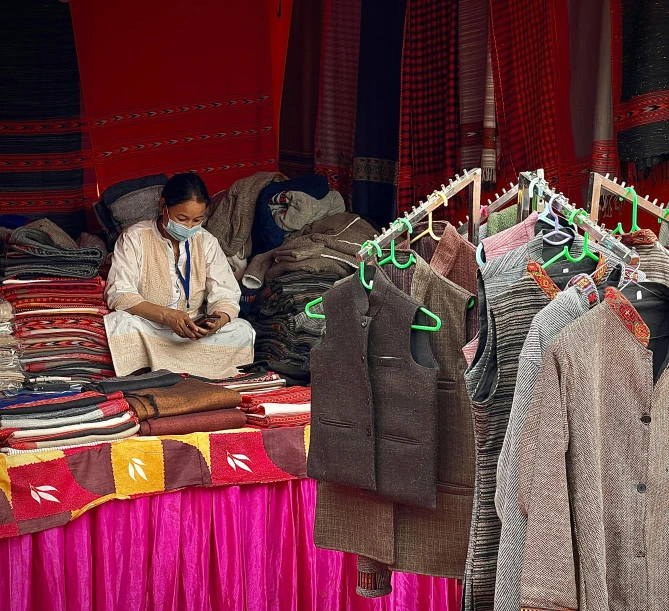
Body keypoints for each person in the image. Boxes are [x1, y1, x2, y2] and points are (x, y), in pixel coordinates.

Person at [104, 173, 255, 378]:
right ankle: (185, 372)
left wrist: (215, 322)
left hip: (193, 332)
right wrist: (167, 316)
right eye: (181, 219)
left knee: (242, 330)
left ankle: (179, 372)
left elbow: (226, 295)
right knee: (120, 323)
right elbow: (120, 294)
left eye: (197, 220)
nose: (189, 227)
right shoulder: (134, 238)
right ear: (163, 206)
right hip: (152, 328)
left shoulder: (207, 242)